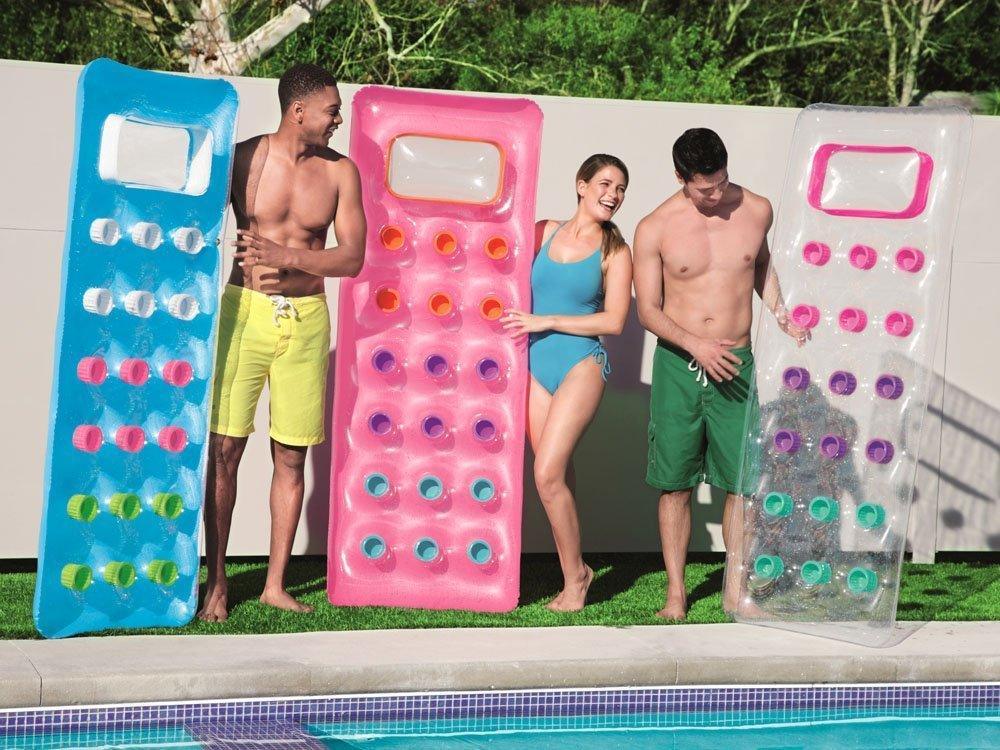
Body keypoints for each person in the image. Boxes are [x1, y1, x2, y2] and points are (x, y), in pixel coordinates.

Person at [198, 63, 366, 622]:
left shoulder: (343, 173)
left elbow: (352, 257)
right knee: (225, 450)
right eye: (332, 109)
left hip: (307, 316)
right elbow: (194, 225)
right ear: (299, 111)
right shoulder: (243, 157)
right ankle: (217, 581)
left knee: (291, 454)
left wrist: (288, 256)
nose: (338, 118)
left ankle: (274, 584)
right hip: (244, 313)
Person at [632, 128, 807, 620]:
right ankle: (675, 592)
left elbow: (761, 265)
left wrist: (781, 312)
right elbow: (647, 309)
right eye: (702, 188)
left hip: (736, 362)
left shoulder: (756, 209)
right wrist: (696, 346)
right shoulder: (655, 227)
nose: (714, 196)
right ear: (680, 178)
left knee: (743, 482)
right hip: (679, 364)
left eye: (720, 183)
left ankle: (735, 591)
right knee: (675, 483)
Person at [501, 154, 633, 612]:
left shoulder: (616, 251)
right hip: (535, 366)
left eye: (619, 189)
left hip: (581, 364)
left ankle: (576, 578)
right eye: (604, 183)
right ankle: (572, 570)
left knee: (547, 473)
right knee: (555, 478)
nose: (612, 195)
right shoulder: (542, 231)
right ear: (581, 185)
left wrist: (547, 319)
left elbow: (615, 321)